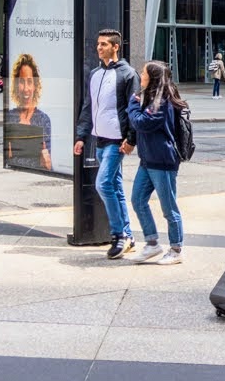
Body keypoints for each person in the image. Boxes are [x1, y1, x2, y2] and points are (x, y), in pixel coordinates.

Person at [73, 29, 138, 259]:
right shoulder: (95, 74)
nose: (99, 48)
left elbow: (134, 109)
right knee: (115, 187)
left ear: (115, 47)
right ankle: (128, 235)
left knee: (103, 185)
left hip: (116, 142)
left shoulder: (128, 74)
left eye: (104, 44)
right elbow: (88, 107)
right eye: (98, 44)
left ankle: (118, 235)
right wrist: (81, 136)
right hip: (99, 140)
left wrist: (131, 139)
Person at [127, 60, 186, 265]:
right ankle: (152, 243)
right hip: (147, 160)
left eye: (143, 73)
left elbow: (141, 122)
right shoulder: (151, 99)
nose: (140, 76)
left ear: (152, 78)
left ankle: (176, 249)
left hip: (162, 161)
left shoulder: (161, 102)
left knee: (169, 208)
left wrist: (133, 104)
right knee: (137, 200)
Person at [6, 52, 52, 170]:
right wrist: (7, 158)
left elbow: (48, 166)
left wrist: (48, 165)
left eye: (30, 82)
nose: (26, 88)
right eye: (22, 82)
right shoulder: (9, 117)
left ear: (35, 85)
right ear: (16, 85)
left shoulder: (44, 120)